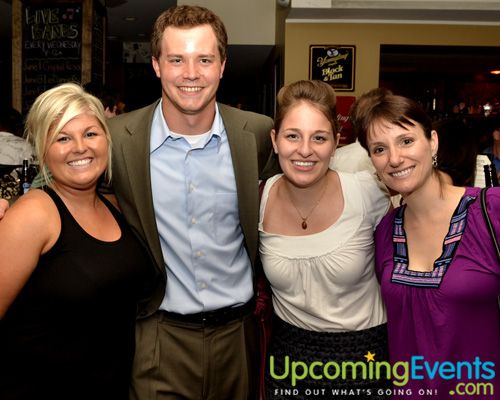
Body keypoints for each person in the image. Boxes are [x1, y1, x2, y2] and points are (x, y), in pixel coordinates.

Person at [106, 5, 278, 399]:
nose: (191, 73)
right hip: (158, 336)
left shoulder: (256, 133)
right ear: (155, 65)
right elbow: (68, 192)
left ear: (222, 65)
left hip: (239, 337)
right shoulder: (118, 139)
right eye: (176, 59)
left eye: (204, 59)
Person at [0, 83, 155, 399]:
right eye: (62, 138)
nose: (80, 147)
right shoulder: (35, 213)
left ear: (106, 140)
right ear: (43, 149)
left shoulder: (115, 206)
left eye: (90, 134)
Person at [353, 90, 500, 398]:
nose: (395, 158)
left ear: (432, 141)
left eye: (406, 141)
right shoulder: (384, 232)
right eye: (380, 149)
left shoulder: (492, 212)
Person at [258, 80, 391, 399]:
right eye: (293, 136)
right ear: (275, 141)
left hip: (363, 359)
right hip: (289, 362)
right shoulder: (260, 197)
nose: (305, 150)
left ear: (335, 142)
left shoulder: (366, 191)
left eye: (319, 138)